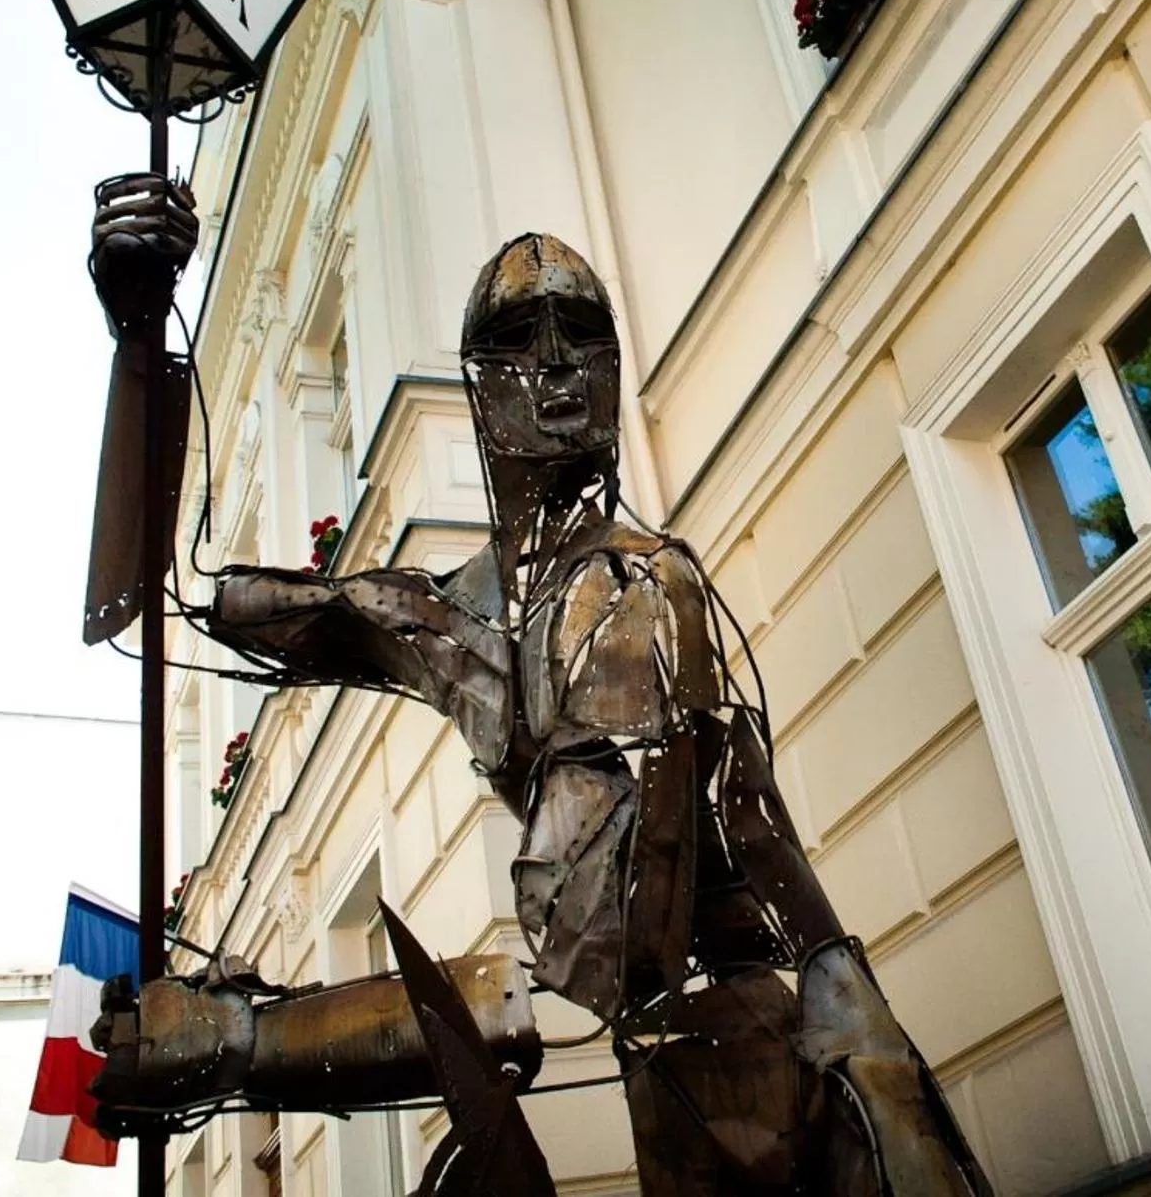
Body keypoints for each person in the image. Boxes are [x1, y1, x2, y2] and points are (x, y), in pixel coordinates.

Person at [95, 233, 991, 1196]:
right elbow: (187, 594)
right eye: (520, 334)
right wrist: (142, 336)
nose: (559, 362)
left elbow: (664, 887)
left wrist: (867, 1048)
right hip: (672, 1059)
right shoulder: (450, 619)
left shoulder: (644, 580)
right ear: (479, 384)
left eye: (584, 332)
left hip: (759, 1055)